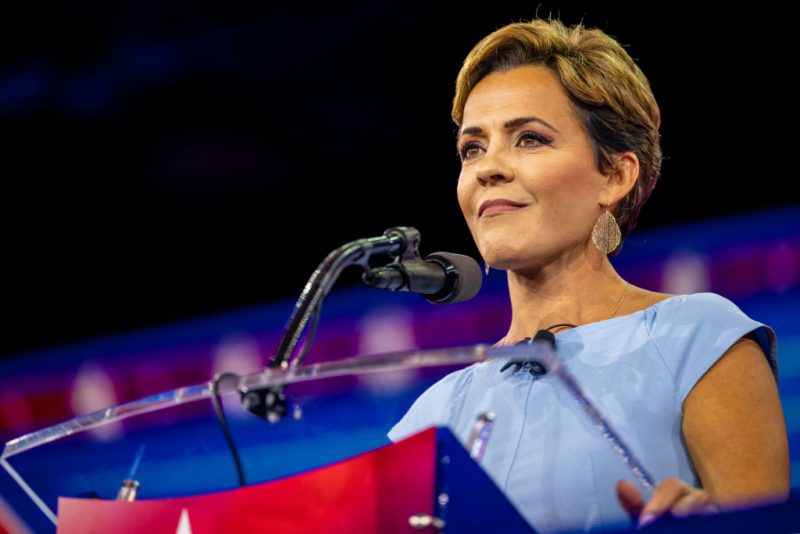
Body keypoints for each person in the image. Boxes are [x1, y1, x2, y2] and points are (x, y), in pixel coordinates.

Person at [388, 18, 789, 532]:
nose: (489, 167)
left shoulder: (697, 338)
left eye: (529, 139)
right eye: (473, 147)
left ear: (616, 175)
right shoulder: (432, 416)